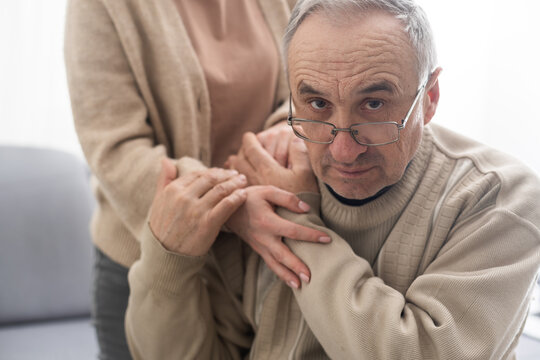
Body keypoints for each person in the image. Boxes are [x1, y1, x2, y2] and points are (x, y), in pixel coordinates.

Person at [125, 0, 540, 359]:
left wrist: (299, 226)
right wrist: (168, 260)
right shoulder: (260, 196)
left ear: (428, 99)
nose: (343, 151)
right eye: (318, 103)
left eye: (374, 104)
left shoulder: (501, 200)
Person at [64, 0, 330, 359]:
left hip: (259, 257)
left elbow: (310, 81)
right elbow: (115, 148)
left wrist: (286, 134)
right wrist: (230, 208)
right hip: (150, 256)